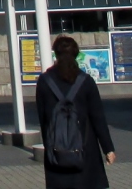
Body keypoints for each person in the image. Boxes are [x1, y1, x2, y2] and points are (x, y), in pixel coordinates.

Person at [36, 35, 116, 189]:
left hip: (57, 151)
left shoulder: (44, 81)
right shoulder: (86, 81)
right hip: (85, 149)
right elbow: (98, 117)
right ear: (76, 54)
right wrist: (108, 148)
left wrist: (49, 146)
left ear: (55, 54)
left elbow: (43, 118)